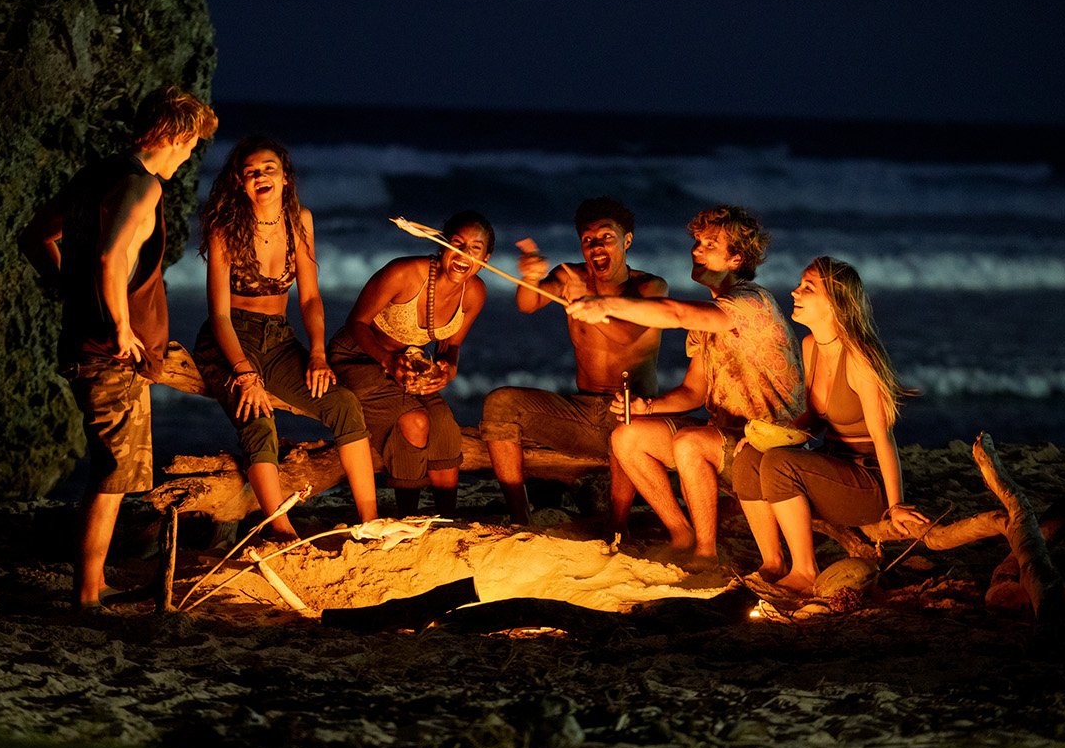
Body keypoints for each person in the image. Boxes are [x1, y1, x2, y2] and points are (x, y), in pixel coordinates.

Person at [19, 85, 218, 609]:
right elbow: (110, 260)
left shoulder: (96, 176)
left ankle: (92, 583)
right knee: (112, 475)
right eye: (191, 143)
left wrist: (73, 293)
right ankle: (88, 592)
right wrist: (120, 325)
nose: (191, 154)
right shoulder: (141, 186)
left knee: (114, 469)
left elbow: (36, 236)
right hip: (113, 353)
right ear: (175, 134)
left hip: (91, 343)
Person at [567, 204, 803, 570]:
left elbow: (675, 314)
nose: (696, 250)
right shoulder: (710, 316)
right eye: (697, 241)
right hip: (725, 437)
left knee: (690, 442)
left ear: (736, 257)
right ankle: (682, 534)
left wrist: (606, 305)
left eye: (710, 244)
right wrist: (646, 408)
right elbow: (693, 392)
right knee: (627, 436)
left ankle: (706, 554)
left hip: (768, 442)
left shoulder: (751, 302)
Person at [193, 135, 380, 539]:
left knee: (344, 403)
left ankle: (371, 522)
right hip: (229, 339)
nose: (260, 176)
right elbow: (219, 314)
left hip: (279, 339)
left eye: (268, 169)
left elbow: (310, 296)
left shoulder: (301, 221)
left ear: (285, 179)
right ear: (240, 183)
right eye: (250, 172)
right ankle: (280, 529)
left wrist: (317, 353)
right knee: (258, 420)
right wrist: (244, 373)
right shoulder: (225, 227)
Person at [732, 256, 927, 596]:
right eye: (800, 284)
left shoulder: (860, 360)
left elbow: (885, 439)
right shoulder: (811, 347)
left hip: (866, 482)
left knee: (779, 464)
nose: (795, 291)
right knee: (750, 458)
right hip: (833, 466)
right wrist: (763, 435)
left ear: (836, 304)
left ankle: (805, 572)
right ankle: (772, 563)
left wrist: (895, 505)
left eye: (808, 288)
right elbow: (810, 418)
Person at [479, 196, 669, 526]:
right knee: (500, 404)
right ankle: (521, 517)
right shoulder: (570, 277)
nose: (596, 247)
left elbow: (628, 336)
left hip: (632, 410)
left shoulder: (650, 286)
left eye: (607, 238)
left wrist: (588, 301)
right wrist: (531, 276)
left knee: (628, 427)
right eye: (588, 240)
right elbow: (528, 304)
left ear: (627, 241)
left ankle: (618, 526)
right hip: (581, 411)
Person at [329, 211, 493, 516]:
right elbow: (357, 323)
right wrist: (387, 360)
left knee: (444, 425)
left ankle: (446, 520)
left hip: (407, 365)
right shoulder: (404, 273)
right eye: (457, 243)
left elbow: (451, 345)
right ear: (441, 243)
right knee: (415, 421)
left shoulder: (475, 293)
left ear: (486, 256)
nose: (463, 253)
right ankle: (408, 516)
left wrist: (449, 369)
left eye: (475, 248)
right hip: (357, 358)